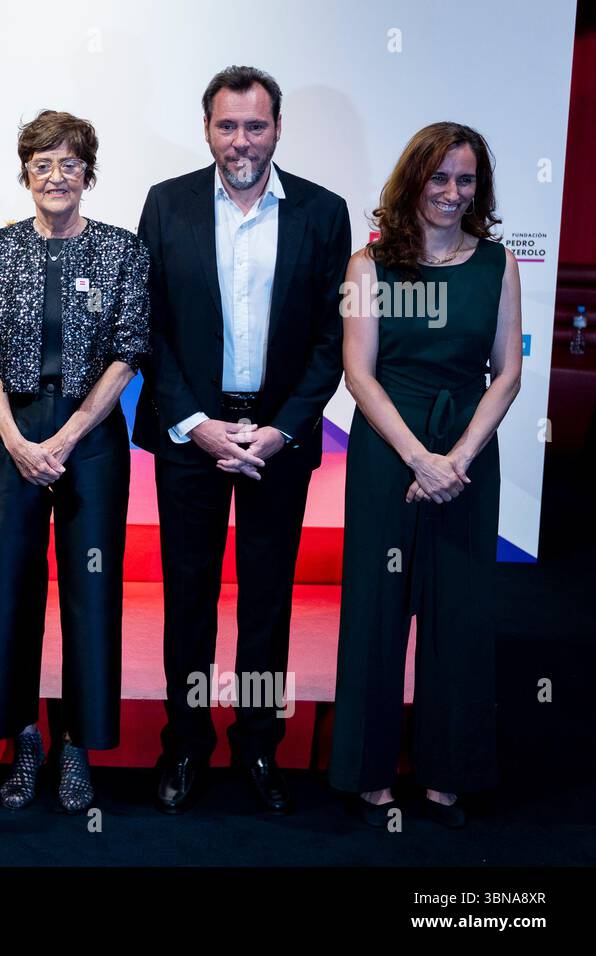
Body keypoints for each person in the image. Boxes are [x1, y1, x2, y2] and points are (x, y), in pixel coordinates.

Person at [134, 66, 351, 815]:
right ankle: (186, 746)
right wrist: (196, 424)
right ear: (207, 130)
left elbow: (332, 340)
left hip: (278, 439)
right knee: (188, 600)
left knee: (267, 601)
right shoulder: (167, 205)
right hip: (192, 433)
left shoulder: (324, 213)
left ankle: (259, 747)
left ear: (278, 128)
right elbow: (148, 329)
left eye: (255, 126)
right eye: (227, 126)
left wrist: (283, 427)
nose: (241, 141)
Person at [329, 123, 521, 828]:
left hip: (468, 452)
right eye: (438, 178)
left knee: (460, 613)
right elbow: (358, 372)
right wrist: (418, 458)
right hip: (389, 450)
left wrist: (458, 459)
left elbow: (508, 375)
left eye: (465, 180)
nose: (451, 192)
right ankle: (368, 771)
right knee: (377, 612)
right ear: (413, 181)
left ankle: (450, 773)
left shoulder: (499, 264)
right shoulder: (366, 265)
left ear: (479, 190)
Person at [0, 110, 149, 812]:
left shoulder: (123, 251)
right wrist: (12, 435)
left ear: (89, 174)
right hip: (10, 437)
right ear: (25, 173)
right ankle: (22, 740)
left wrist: (66, 438)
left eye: (70, 163)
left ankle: (76, 748)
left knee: (91, 596)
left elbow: (129, 351)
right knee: (7, 592)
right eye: (42, 162)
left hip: (91, 438)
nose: (56, 175)